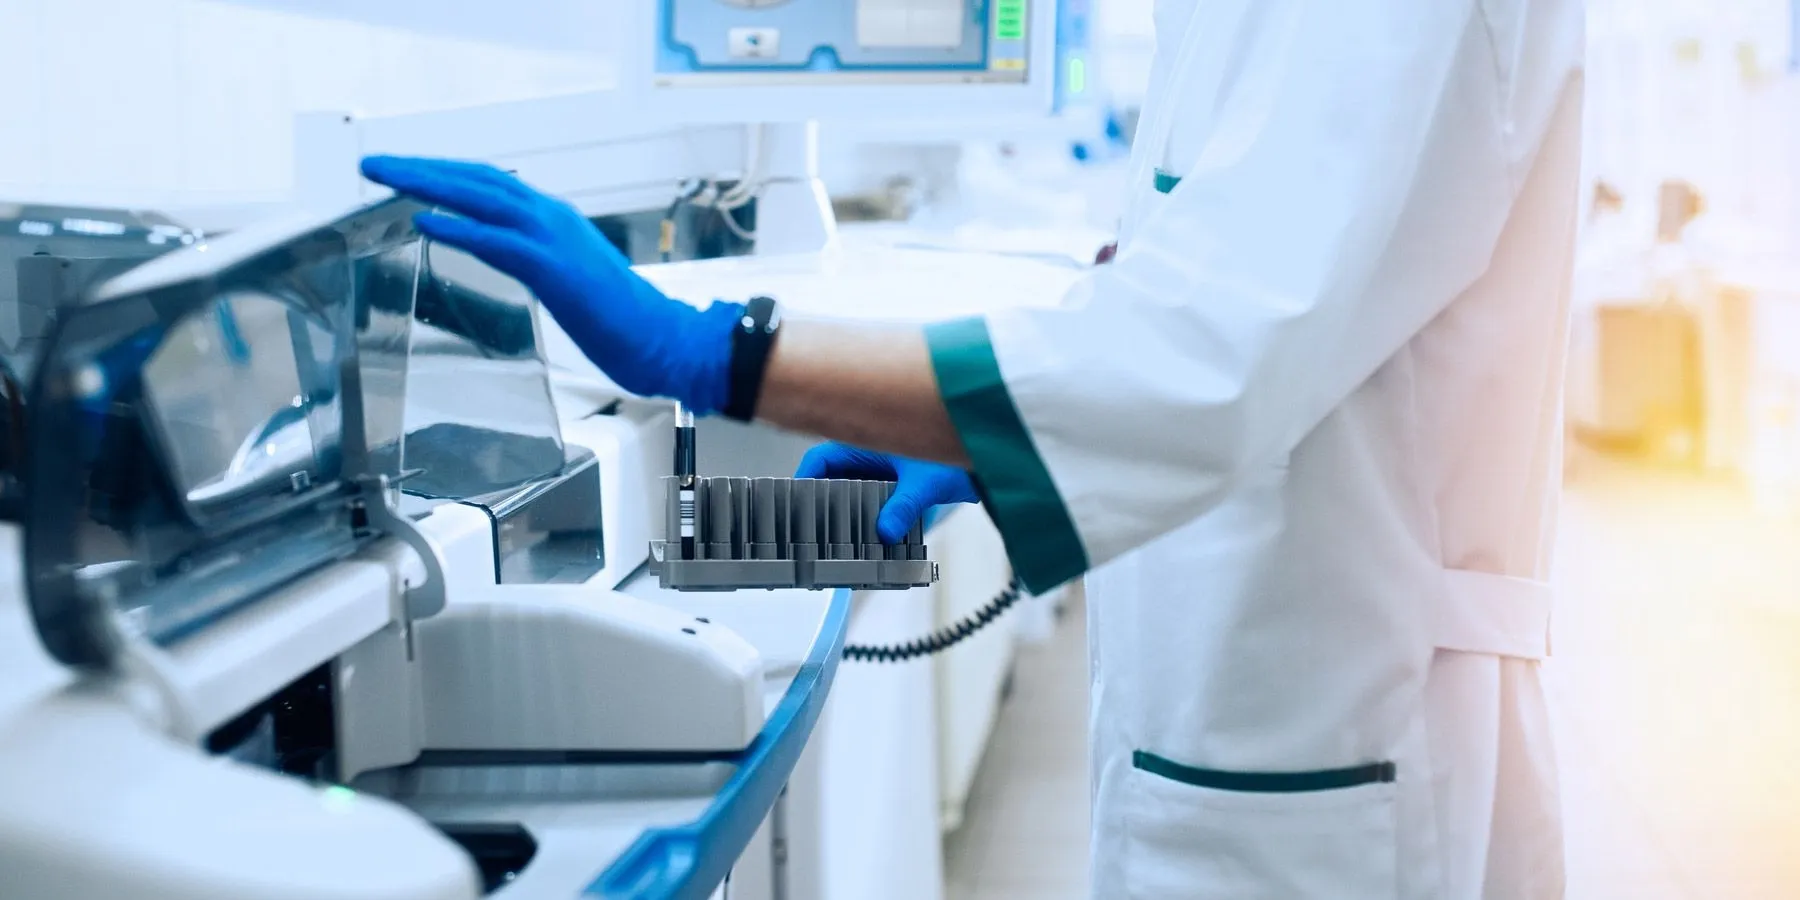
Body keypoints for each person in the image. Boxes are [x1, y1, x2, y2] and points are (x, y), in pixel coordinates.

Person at [362, 0, 1585, 894]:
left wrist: (717, 354)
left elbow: (1206, 357)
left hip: (1347, 741)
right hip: (1263, 696)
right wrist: (986, 440)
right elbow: (1194, 295)